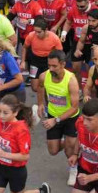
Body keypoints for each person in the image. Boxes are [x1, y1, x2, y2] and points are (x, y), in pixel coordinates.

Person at [35, 50, 81, 185]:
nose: (51, 69)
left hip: (70, 118)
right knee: (53, 150)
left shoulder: (71, 81)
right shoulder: (44, 76)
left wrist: (56, 120)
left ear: (63, 64)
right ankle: (73, 144)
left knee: (69, 150)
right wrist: (40, 103)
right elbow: (40, 87)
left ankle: (73, 169)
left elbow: (74, 107)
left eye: (54, 66)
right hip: (53, 115)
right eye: (49, 65)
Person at [20, 17, 63, 93]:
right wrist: (23, 61)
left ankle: (46, 102)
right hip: (35, 61)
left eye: (39, 32)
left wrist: (59, 66)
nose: (36, 34)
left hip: (48, 62)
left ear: (46, 30)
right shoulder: (31, 35)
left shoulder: (54, 38)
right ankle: (42, 99)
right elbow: (24, 48)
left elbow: (60, 53)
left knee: (48, 86)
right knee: (35, 87)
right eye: (35, 31)